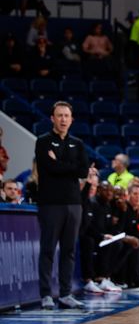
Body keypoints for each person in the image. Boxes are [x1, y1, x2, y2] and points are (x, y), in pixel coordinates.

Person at [35, 101, 90, 310]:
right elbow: (49, 168)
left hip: (74, 203)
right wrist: (69, 167)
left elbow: (83, 171)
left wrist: (59, 164)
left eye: (66, 116)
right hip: (50, 203)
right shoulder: (43, 142)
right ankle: (46, 294)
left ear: (71, 119)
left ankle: (66, 294)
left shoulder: (78, 143)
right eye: (59, 115)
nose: (63, 119)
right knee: (48, 249)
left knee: (69, 250)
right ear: (52, 118)